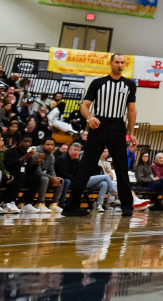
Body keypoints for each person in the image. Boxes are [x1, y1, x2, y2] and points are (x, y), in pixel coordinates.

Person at [61, 54, 137, 218]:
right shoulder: (98, 83)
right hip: (99, 124)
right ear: (110, 63)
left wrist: (131, 132)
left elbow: (131, 110)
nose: (120, 65)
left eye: (122, 63)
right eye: (117, 62)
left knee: (122, 167)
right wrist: (89, 117)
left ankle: (127, 206)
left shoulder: (130, 84)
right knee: (86, 166)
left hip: (117, 126)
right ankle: (71, 207)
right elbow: (85, 105)